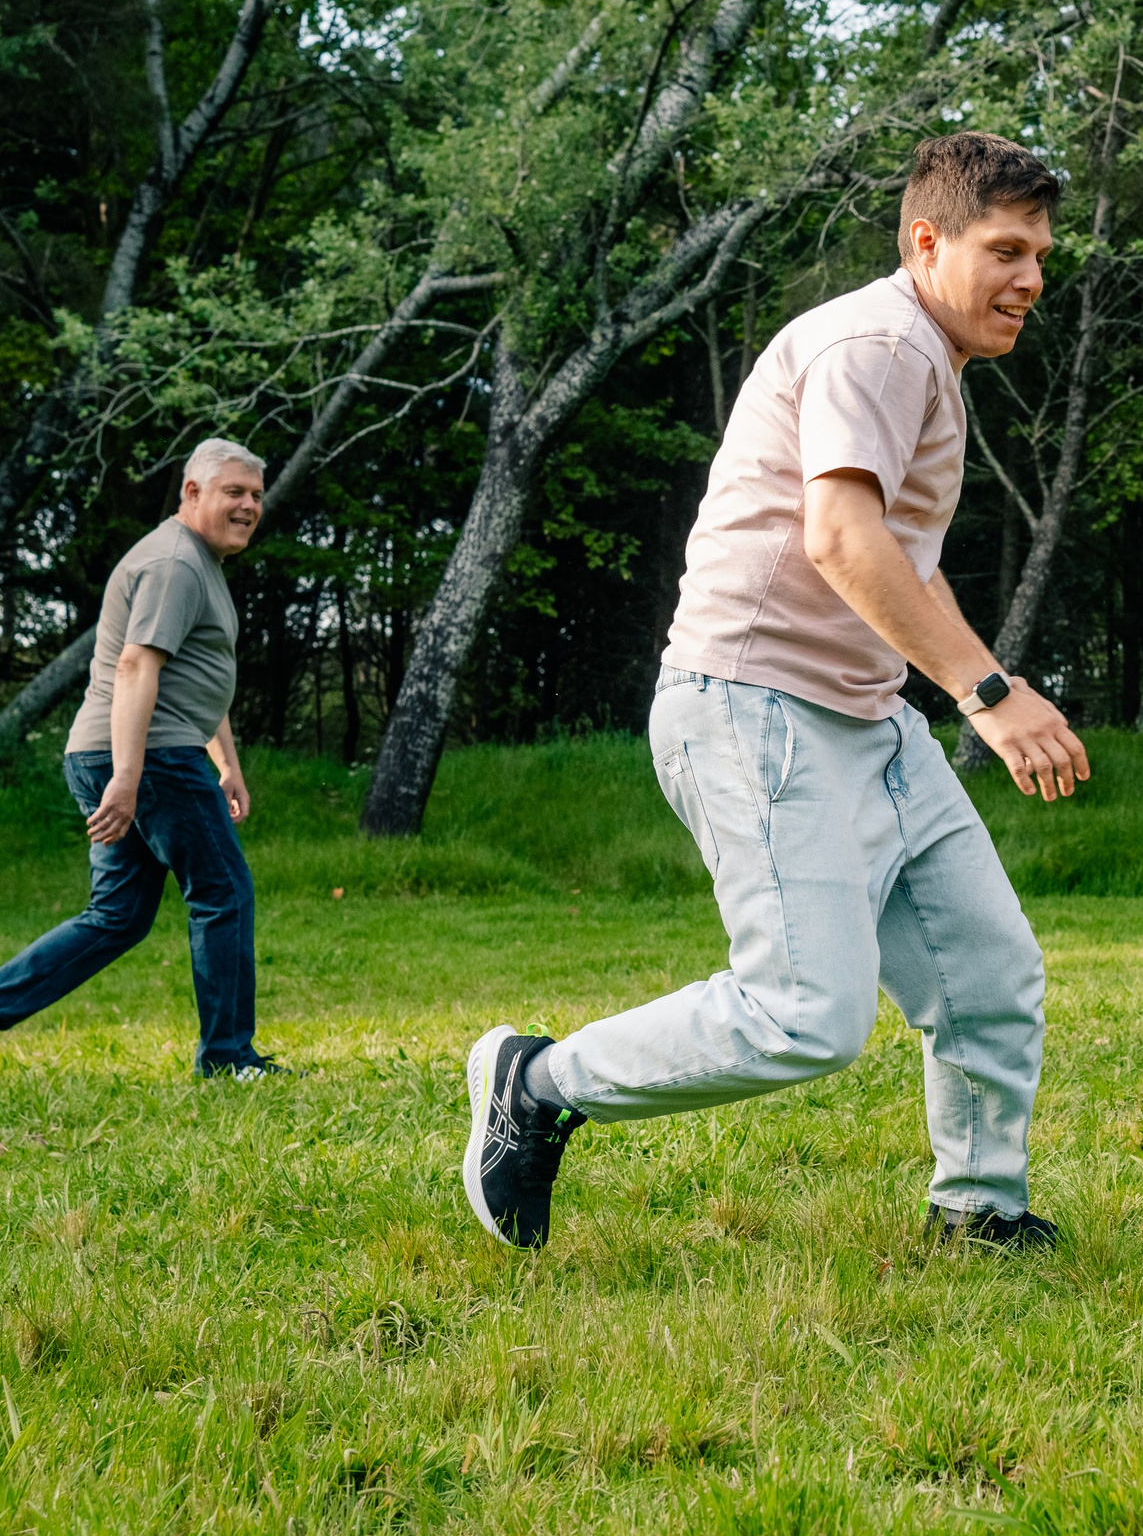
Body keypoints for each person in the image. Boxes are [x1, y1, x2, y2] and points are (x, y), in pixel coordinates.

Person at [461, 132, 1090, 1252]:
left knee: (989, 975)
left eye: (1040, 253)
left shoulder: (923, 361)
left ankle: (977, 1211)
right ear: (926, 241)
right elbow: (842, 537)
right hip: (753, 707)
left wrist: (953, 682)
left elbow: (902, 563)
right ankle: (539, 1082)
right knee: (806, 1013)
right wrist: (989, 695)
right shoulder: (881, 342)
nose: (1031, 278)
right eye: (1005, 251)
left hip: (864, 715)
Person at [0, 438, 280, 1085]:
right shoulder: (175, 562)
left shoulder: (196, 562)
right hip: (151, 754)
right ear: (192, 493)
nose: (250, 504)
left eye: (256, 493)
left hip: (140, 748)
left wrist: (226, 761)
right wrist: (128, 773)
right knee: (223, 891)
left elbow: (196, 671)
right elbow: (136, 665)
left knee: (116, 916)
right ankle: (229, 1057)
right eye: (235, 491)